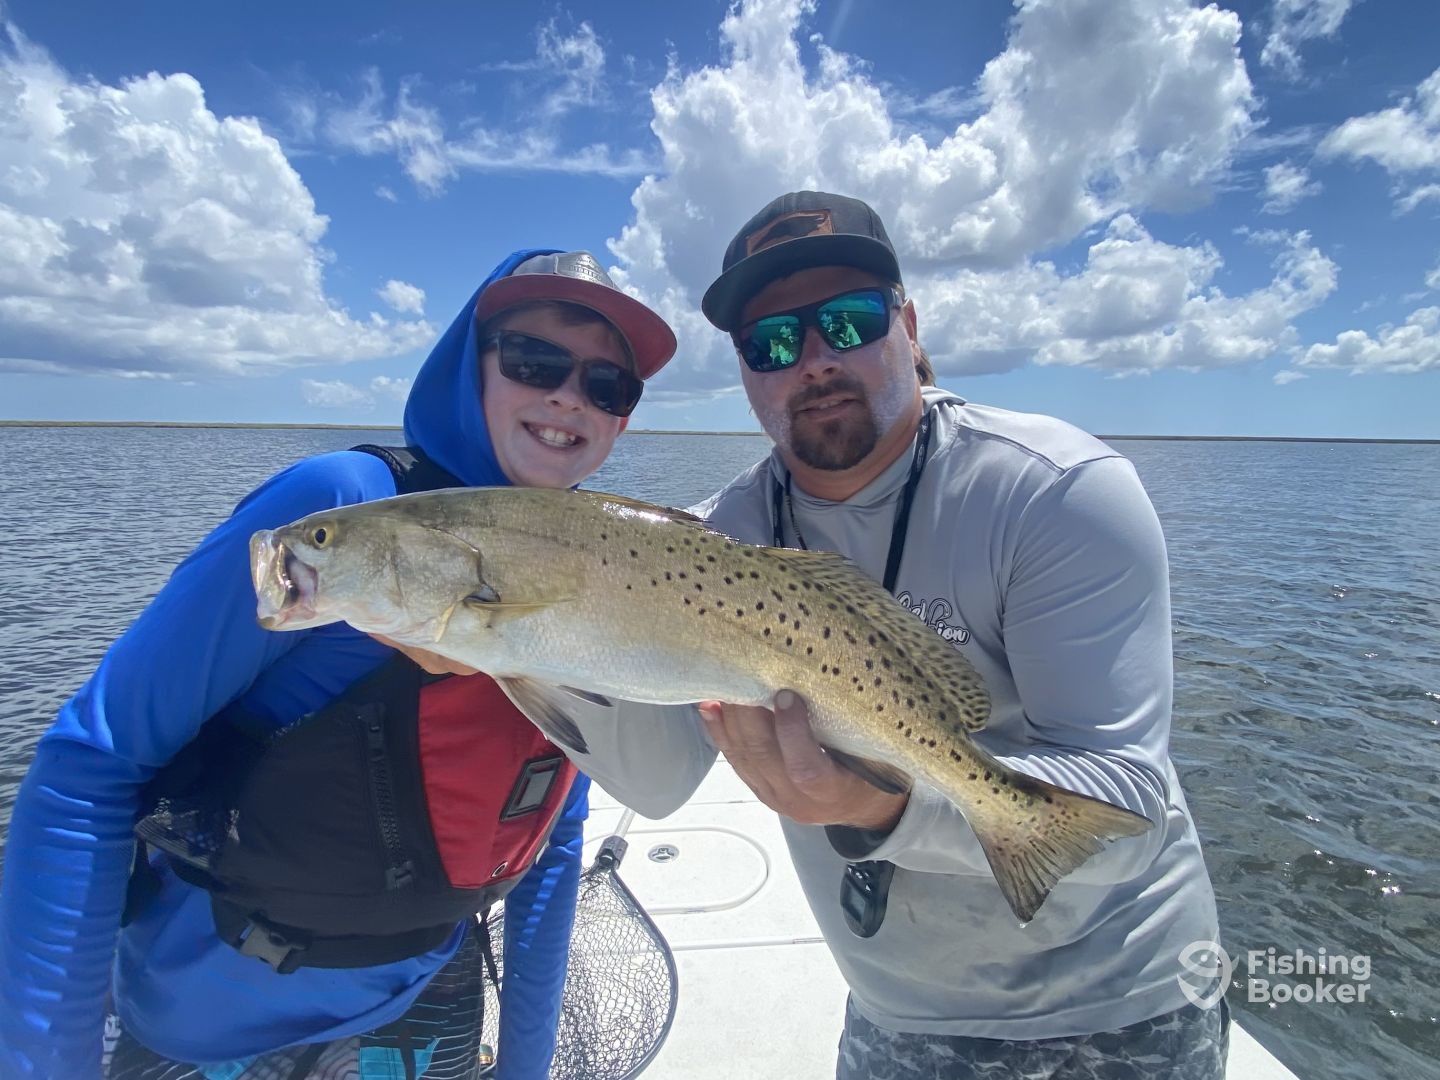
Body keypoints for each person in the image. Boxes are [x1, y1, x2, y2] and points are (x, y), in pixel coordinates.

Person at [563, 192, 1228, 1079]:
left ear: (908, 328)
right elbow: (654, 782)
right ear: (746, 372)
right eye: (771, 342)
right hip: (893, 1010)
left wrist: (880, 807)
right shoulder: (712, 543)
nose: (813, 360)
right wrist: (518, 639)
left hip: (1117, 1007)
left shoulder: (1058, 492)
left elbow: (1127, 818)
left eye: (848, 320)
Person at [0, 249, 677, 1080]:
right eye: (534, 360)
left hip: (432, 998)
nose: (570, 396)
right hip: (212, 1018)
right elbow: (89, 766)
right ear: (469, 365)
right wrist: (45, 1059)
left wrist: (526, 1064)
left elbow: (552, 832)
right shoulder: (336, 510)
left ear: (622, 421)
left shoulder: (602, 568)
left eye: (608, 385)